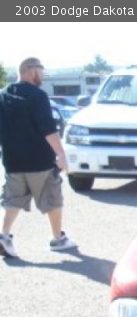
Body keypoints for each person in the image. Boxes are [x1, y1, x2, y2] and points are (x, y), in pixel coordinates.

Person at [0, 57, 77, 258]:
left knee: (12, 200)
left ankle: (4, 236)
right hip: (40, 162)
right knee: (53, 199)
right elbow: (48, 129)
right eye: (41, 71)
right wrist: (61, 154)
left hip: (13, 162)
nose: (42, 75)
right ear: (30, 70)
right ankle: (58, 239)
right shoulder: (38, 96)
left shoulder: (2, 95)